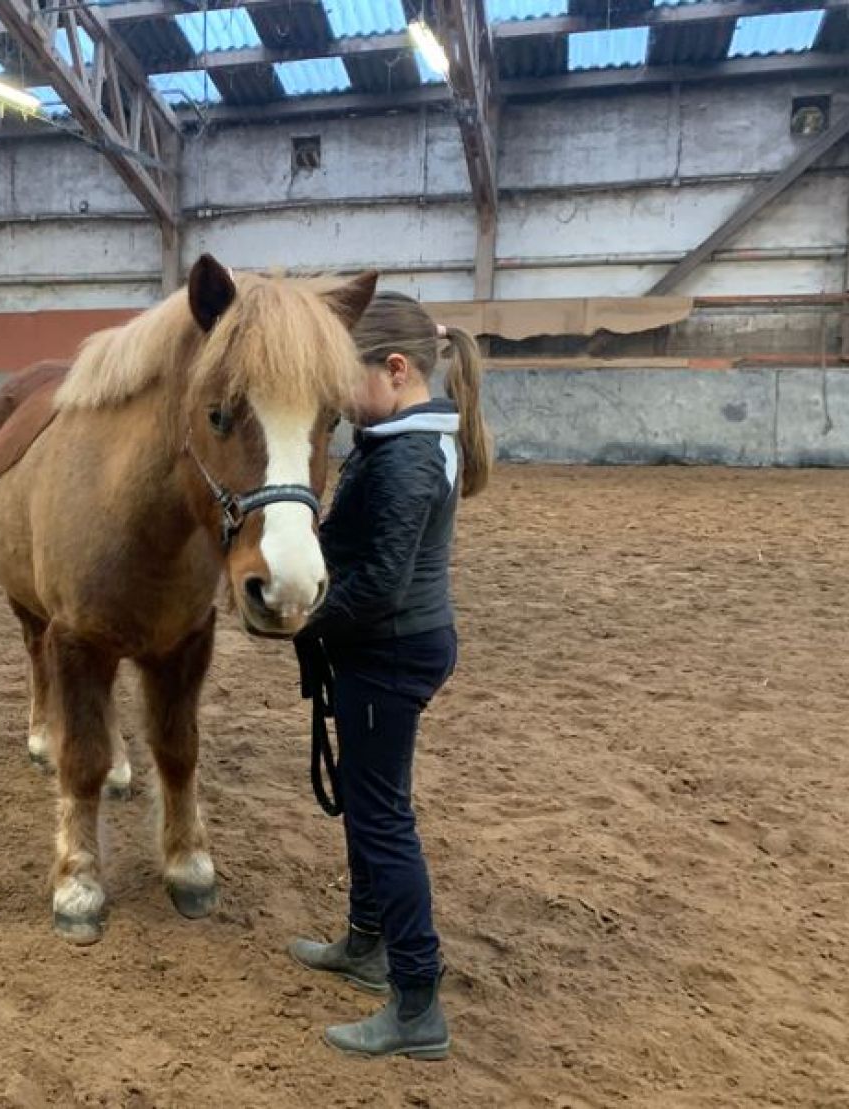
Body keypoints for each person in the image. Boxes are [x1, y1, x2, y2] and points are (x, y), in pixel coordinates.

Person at [289, 291, 492, 1060]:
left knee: (383, 821)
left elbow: (378, 581)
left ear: (397, 369)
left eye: (349, 380)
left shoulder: (407, 455)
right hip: (392, 646)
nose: (341, 400)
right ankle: (366, 942)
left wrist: (305, 619)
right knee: (373, 808)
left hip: (392, 649)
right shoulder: (401, 439)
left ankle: (416, 1002)